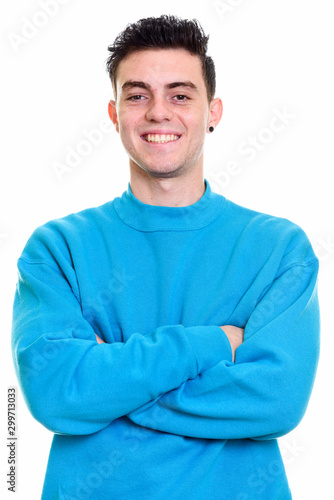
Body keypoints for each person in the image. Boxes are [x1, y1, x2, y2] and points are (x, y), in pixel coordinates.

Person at [11, 15, 320, 500]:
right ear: (114, 114)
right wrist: (213, 344)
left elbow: (276, 400)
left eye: (180, 95)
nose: (158, 112)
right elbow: (54, 393)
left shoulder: (278, 248)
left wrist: (109, 382)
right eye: (137, 95)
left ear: (213, 111)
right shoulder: (58, 248)